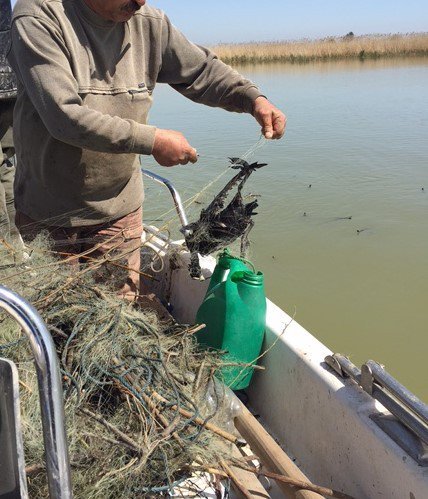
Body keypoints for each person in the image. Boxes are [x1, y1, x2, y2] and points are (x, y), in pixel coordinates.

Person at [8, 0, 286, 300]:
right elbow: (63, 117)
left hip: (120, 209)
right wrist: (152, 141)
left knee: (119, 311)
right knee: (55, 314)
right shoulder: (38, 16)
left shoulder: (150, 23)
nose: (140, 2)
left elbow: (202, 71)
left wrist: (253, 99)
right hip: (48, 212)